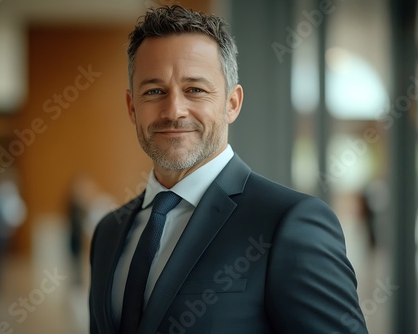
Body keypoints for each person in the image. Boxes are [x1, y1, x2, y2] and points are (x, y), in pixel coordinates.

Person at [89, 5, 368, 334]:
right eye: (154, 91)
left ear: (232, 104)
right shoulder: (108, 231)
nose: (174, 109)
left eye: (195, 89)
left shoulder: (288, 223)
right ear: (131, 107)